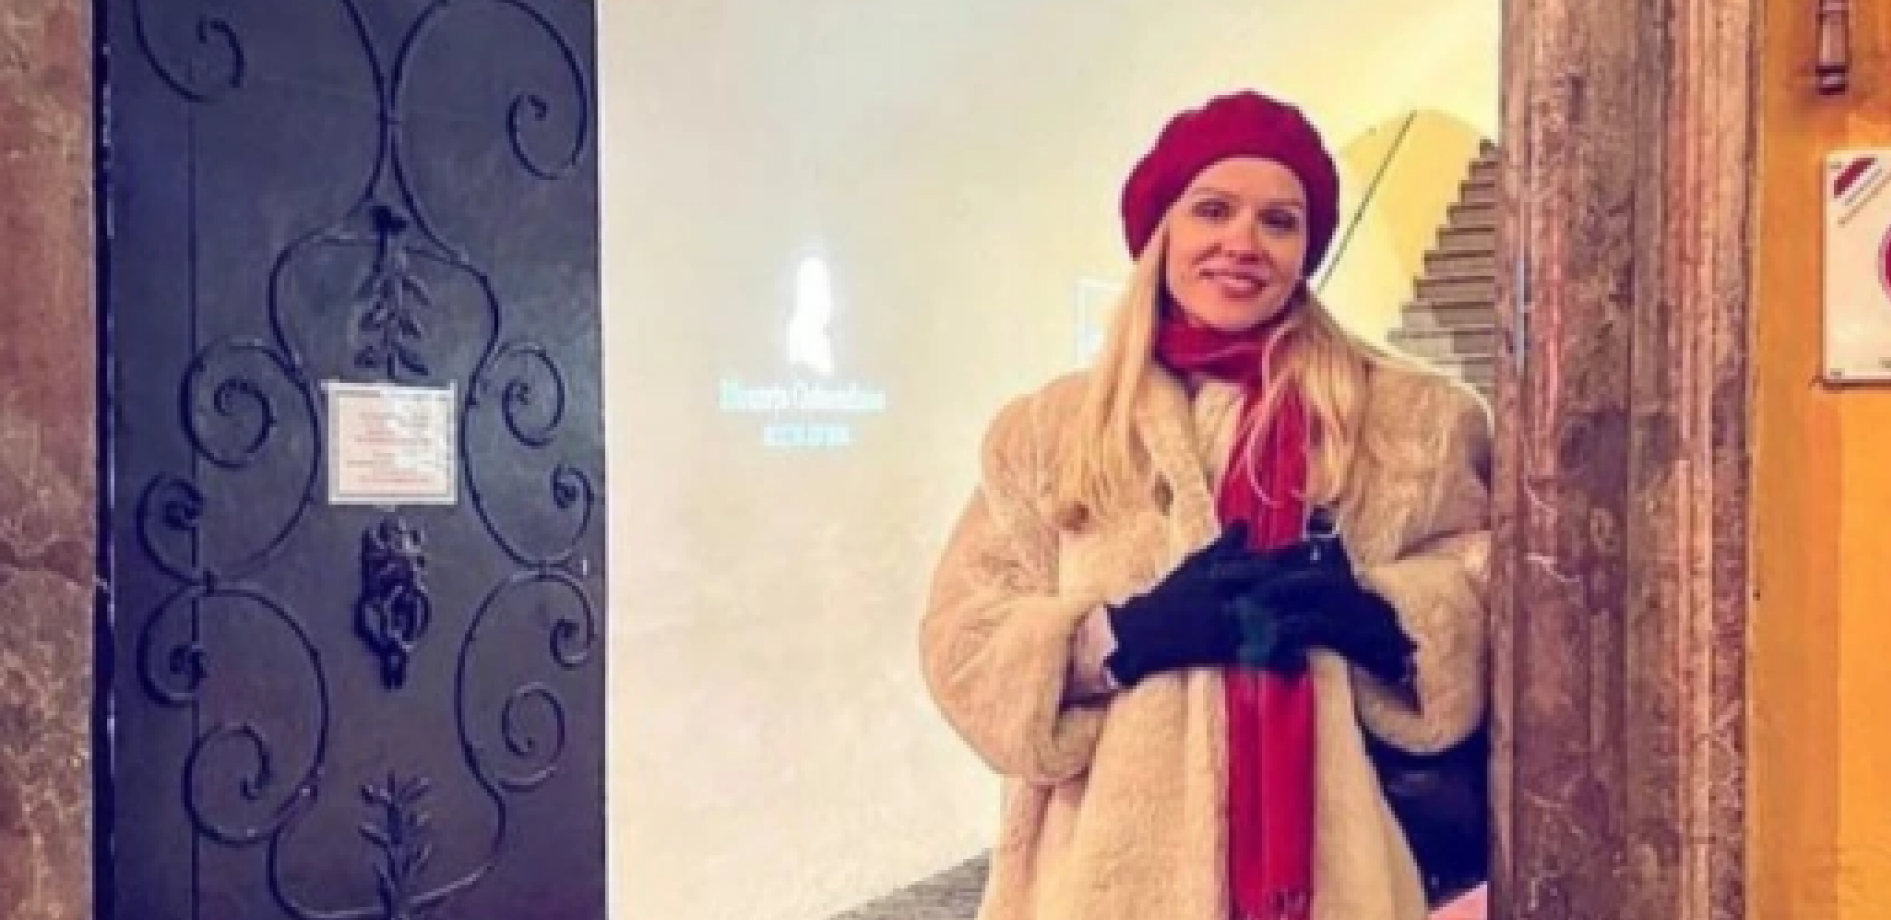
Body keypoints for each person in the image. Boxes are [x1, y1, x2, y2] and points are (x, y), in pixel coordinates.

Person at [918, 89, 1492, 920]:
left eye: (1278, 221)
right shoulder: (1051, 432)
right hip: (1106, 883)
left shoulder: (1410, 422)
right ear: (1163, 231)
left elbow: (1487, 584)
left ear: (1305, 249)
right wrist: (1122, 637)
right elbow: (964, 644)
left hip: (1339, 876)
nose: (1242, 244)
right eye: (1212, 210)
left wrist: (1380, 621)